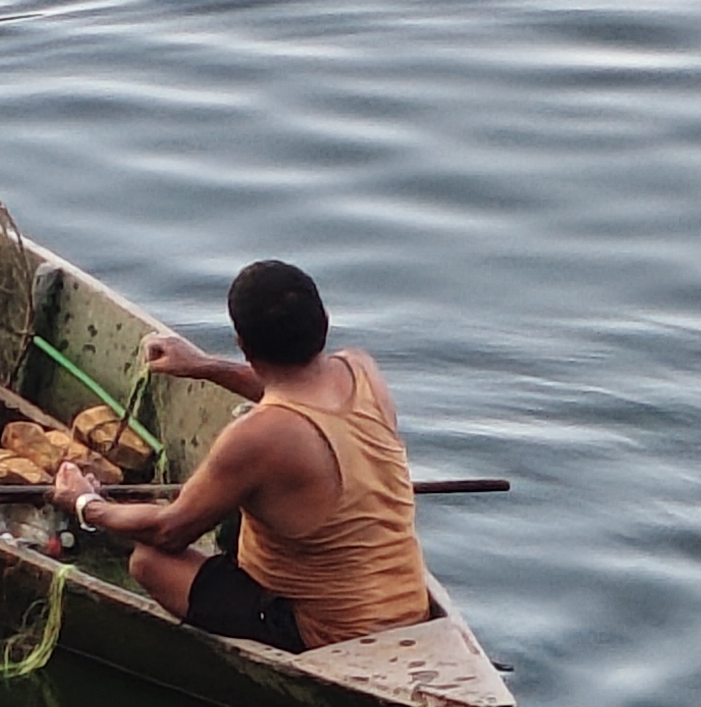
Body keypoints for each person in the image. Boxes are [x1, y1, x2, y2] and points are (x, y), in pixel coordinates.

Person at [57, 258, 431, 653]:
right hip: (408, 606)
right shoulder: (361, 370)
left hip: (330, 634)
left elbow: (169, 532)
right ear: (322, 320)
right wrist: (203, 367)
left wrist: (85, 503)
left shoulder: (257, 437)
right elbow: (293, 389)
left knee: (149, 561)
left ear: (243, 345)